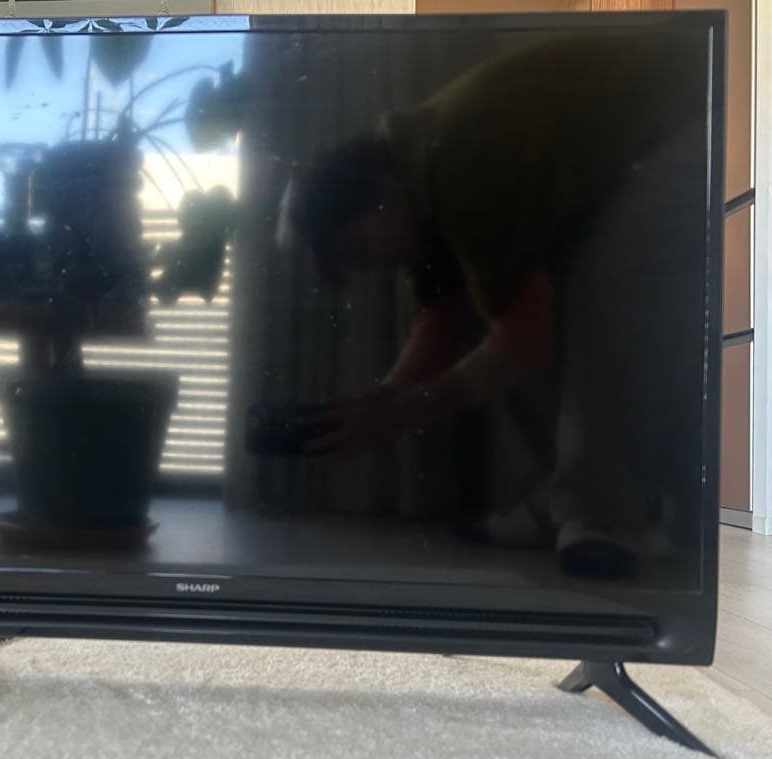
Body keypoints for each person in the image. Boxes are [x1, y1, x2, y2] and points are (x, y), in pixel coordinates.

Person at [280, 33, 710, 577]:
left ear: (379, 193)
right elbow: (446, 316)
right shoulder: (416, 180)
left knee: (604, 304)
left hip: (686, 119)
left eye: (362, 250)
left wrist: (401, 413)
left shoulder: (455, 160)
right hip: (626, 153)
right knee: (505, 317)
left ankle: (601, 518)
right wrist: (386, 399)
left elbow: (524, 339)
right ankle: (558, 502)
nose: (373, 266)